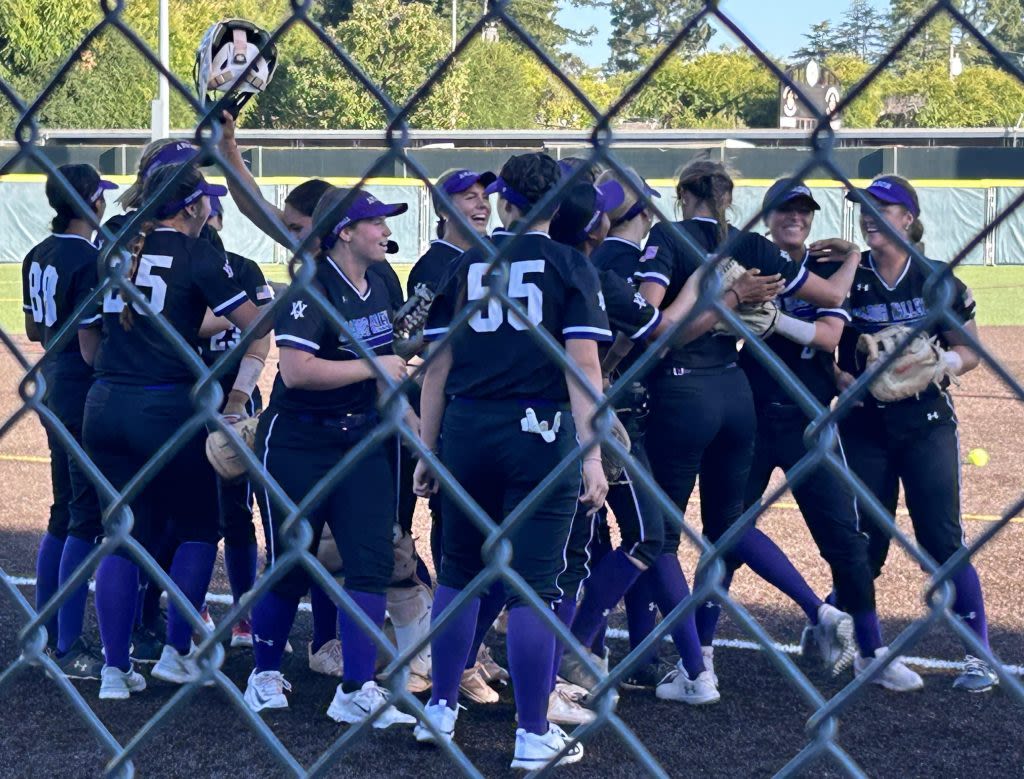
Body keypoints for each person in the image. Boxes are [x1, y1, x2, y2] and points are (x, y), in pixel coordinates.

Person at [549, 175, 784, 708]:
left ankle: (625, 654)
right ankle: (584, 650)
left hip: (573, 415)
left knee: (612, 542)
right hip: (609, 417)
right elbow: (659, 331)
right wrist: (719, 293)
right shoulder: (609, 266)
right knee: (633, 540)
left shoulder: (559, 260)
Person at [410, 152, 611, 769]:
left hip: (468, 429)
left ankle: (440, 708)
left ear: (503, 202)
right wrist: (593, 450)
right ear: (558, 206)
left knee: (458, 574)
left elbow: (435, 367)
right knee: (534, 586)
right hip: (538, 431)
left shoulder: (467, 264)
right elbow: (583, 365)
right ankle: (530, 733)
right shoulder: (568, 263)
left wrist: (429, 446)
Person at [635, 159, 862, 699]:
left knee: (658, 535)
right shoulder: (753, 246)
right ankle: (818, 611)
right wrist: (853, 258)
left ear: (681, 193)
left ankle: (694, 670)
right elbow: (833, 298)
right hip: (736, 394)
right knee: (729, 524)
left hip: (680, 390)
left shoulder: (667, 235)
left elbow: (648, 314)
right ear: (730, 199)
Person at [83, 164, 266, 700]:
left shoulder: (116, 249)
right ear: (190, 208)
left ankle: (114, 671)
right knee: (198, 527)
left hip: (104, 400)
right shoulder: (198, 252)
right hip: (165, 405)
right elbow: (254, 322)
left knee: (119, 534)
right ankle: (177, 650)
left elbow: (93, 334)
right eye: (206, 199)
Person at [242, 186, 417, 729]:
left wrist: (416, 433)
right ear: (344, 232)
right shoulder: (311, 285)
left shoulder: (382, 281)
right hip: (298, 440)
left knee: (369, 563)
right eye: (376, 222)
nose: (386, 230)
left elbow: (388, 368)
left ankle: (356, 687)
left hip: (362, 438)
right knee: (293, 560)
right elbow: (296, 372)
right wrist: (374, 367)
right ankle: (264, 673)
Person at [738, 179, 922, 690]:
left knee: (845, 541)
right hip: (750, 415)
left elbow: (833, 334)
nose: (794, 218)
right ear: (768, 215)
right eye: (784, 210)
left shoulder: (824, 272)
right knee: (727, 535)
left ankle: (871, 650)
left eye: (803, 210)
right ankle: (702, 656)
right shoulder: (748, 265)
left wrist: (831, 363)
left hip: (809, 421)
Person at [836, 174, 996, 692]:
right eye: (864, 207)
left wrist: (940, 362)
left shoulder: (934, 278)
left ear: (908, 217)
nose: (870, 216)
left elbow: (972, 351)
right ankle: (859, 643)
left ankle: (980, 656)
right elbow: (826, 348)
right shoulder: (847, 274)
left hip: (925, 421)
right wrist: (845, 379)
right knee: (865, 542)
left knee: (941, 538)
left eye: (882, 207)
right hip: (863, 425)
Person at [406, 167, 509, 704]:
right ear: (442, 208)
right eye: (467, 198)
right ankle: (454, 658)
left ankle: (467, 651)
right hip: (453, 411)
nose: (480, 205)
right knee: (457, 543)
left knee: (482, 540)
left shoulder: (494, 256)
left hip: (484, 410)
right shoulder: (438, 266)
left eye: (484, 197)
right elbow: (419, 346)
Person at [22, 164, 116, 679]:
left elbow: (36, 328)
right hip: (83, 388)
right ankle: (66, 644)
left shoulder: (39, 253)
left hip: (53, 380)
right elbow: (89, 343)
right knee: (85, 514)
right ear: (88, 201)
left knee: (65, 509)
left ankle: (46, 631)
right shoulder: (91, 258)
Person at [198, 196, 274, 648]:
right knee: (196, 513)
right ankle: (197, 607)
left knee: (236, 511)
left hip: (227, 396)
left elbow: (259, 342)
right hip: (191, 397)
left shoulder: (242, 269)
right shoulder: (184, 271)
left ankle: (242, 611)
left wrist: (237, 400)